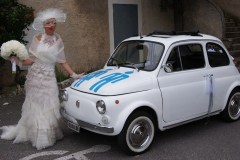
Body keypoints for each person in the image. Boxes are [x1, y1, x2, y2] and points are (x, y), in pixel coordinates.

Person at [0, 8, 83, 150]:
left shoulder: (58, 40)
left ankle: (47, 134)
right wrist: (15, 59)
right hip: (35, 77)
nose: (51, 25)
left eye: (54, 23)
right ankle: (38, 136)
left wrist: (73, 74)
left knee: (49, 105)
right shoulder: (37, 38)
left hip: (49, 77)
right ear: (44, 25)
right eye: (48, 23)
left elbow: (63, 61)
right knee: (36, 106)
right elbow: (30, 60)